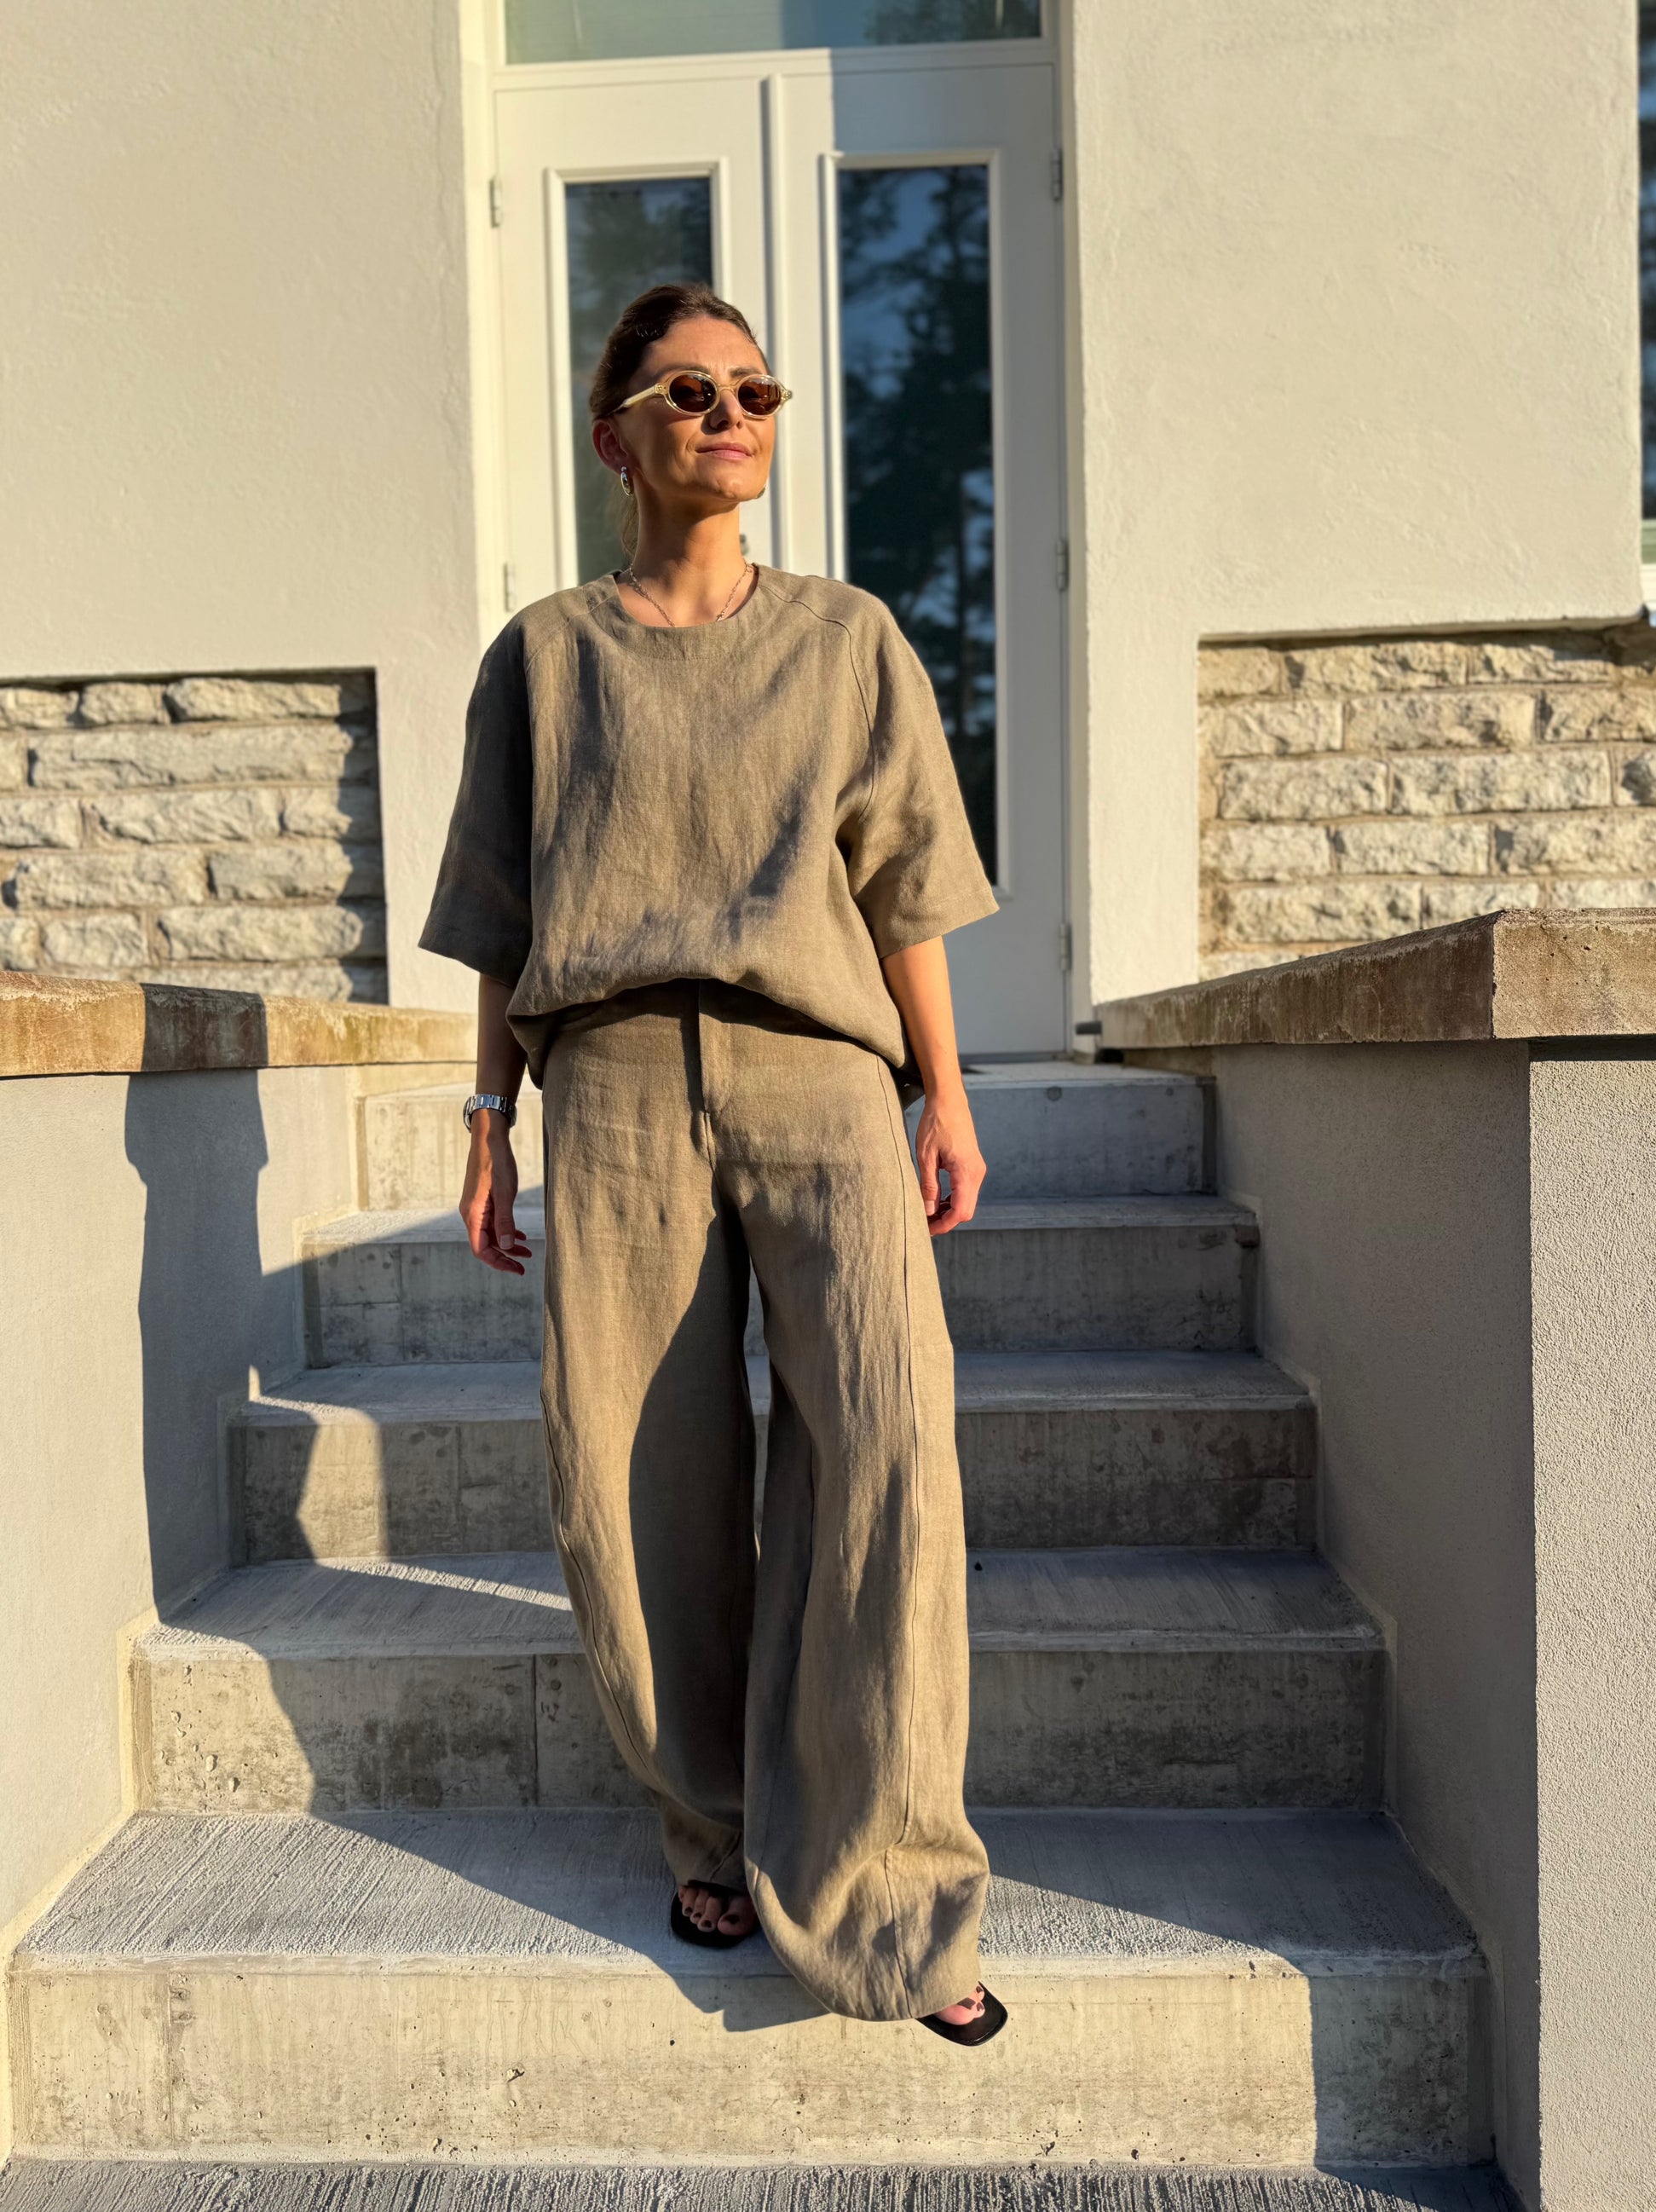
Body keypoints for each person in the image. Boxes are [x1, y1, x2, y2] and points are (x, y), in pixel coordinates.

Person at [418, 280, 1006, 2045]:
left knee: (887, 1451)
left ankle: (890, 1887)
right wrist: (487, 1118)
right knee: (645, 1478)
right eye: (687, 391)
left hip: (819, 1074)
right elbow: (501, 916)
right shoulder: (545, 654)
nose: (728, 416)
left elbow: (903, 885)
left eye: (753, 390)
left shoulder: (847, 640)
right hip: (608, 1087)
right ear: (615, 433)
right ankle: (715, 1822)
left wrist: (946, 1095)